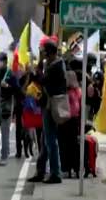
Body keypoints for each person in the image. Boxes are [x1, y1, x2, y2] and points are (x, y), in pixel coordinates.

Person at [28, 41, 66, 184]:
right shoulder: (53, 65)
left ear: (49, 53)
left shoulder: (55, 66)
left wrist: (36, 71)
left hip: (51, 106)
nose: (42, 54)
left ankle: (55, 173)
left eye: (44, 52)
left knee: (50, 140)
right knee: (45, 140)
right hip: (48, 105)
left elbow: (43, 80)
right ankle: (41, 170)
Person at [58, 70, 81, 178]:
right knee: (74, 145)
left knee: (64, 145)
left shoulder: (67, 92)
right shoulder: (78, 91)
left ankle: (66, 168)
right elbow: (78, 107)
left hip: (66, 120)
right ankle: (75, 168)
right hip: (75, 120)